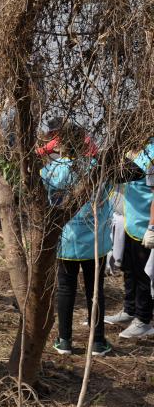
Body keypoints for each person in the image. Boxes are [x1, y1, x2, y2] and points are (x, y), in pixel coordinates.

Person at [41, 132, 114, 355]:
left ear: (61, 146)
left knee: (65, 288)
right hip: (95, 240)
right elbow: (109, 191)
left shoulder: (51, 170)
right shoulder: (97, 167)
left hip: (66, 238)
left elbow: (41, 191)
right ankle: (98, 342)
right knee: (95, 290)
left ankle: (64, 340)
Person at [104, 137, 154, 340]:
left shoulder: (151, 153)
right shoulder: (135, 149)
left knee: (144, 275)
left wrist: (152, 227)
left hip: (144, 224)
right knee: (129, 269)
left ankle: (143, 320)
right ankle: (129, 310)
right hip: (129, 222)